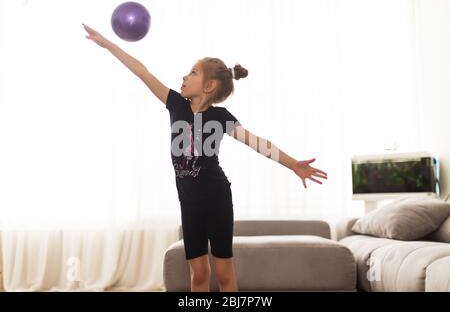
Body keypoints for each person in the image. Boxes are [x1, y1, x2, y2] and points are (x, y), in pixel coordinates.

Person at [82, 23, 328, 292]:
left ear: (209, 85)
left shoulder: (221, 117)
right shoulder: (175, 104)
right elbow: (143, 71)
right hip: (188, 201)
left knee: (223, 273)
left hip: (217, 197)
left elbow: (259, 144)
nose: (185, 77)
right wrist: (108, 44)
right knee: (198, 273)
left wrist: (293, 164)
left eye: (193, 72)